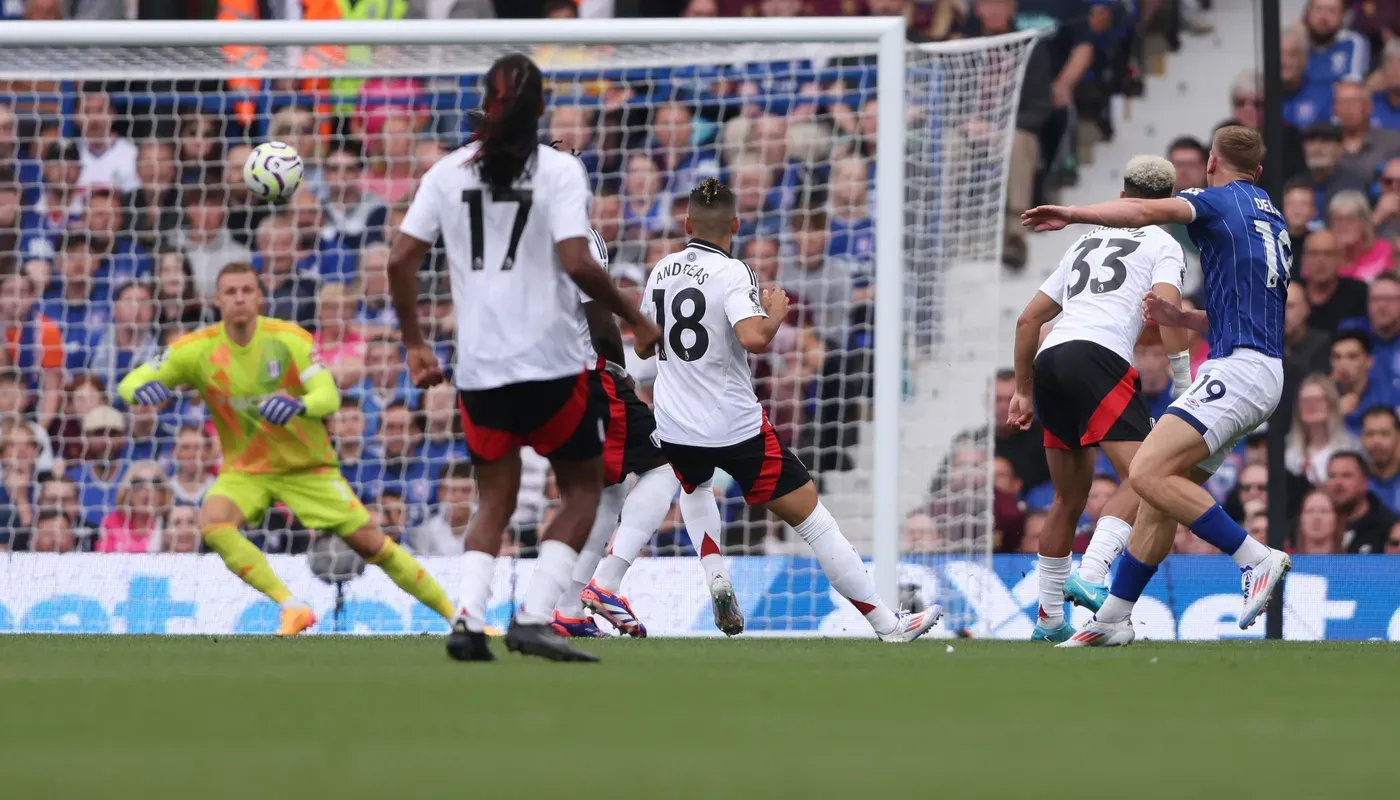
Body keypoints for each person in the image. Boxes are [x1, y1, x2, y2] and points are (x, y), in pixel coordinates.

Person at [387, 53, 661, 663]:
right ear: (540, 109)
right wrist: (637, 317)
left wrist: (413, 343)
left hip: (480, 368)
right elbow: (579, 263)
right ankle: (536, 616)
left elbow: (400, 259)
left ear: (485, 104)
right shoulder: (559, 171)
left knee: (494, 499)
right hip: (551, 365)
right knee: (585, 491)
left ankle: (467, 618)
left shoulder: (447, 172)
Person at [1025, 125, 1294, 646]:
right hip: (1259, 367)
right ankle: (1112, 621)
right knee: (1161, 495)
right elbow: (1250, 311)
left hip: (1237, 370)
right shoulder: (1273, 219)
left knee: (1146, 470)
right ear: (1259, 173)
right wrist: (1182, 317)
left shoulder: (1217, 201)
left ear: (1212, 163)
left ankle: (1255, 558)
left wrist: (1074, 215)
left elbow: (1147, 212)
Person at [642, 177, 942, 643]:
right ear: (736, 225)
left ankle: (716, 574)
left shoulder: (662, 270)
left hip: (677, 424)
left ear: (686, 224)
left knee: (694, 486)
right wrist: (776, 311)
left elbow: (643, 343)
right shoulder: (735, 272)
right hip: (735, 425)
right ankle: (888, 625)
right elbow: (754, 339)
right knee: (814, 521)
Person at [118, 262, 457, 636]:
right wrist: (139, 390)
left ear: (260, 297)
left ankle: (458, 618)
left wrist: (299, 406)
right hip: (246, 471)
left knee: (375, 545)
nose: (239, 298)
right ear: (217, 300)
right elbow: (132, 380)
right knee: (214, 522)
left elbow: (327, 396)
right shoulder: (197, 349)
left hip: (307, 469)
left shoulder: (289, 339)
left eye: (247, 290)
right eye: (230, 292)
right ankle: (292, 607)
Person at [1008, 156, 1190, 642]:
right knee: (1152, 475)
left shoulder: (1086, 240)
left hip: (1050, 359)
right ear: (1168, 200)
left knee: (1067, 498)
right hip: (1100, 359)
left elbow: (1028, 321)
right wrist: (1182, 381)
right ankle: (1091, 573)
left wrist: (1023, 391)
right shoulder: (1164, 243)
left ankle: (1047, 620)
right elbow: (1166, 311)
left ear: (1124, 190)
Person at [548, 229, 742, 639]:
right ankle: (605, 584)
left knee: (608, 492)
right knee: (668, 465)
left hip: (544, 378)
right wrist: (617, 373)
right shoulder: (581, 233)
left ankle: (568, 610)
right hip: (589, 377)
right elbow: (599, 318)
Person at [1324, 450, 1398, 553]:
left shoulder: (1389, 528)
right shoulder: (1310, 523)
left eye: (1346, 476)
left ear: (1365, 483)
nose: (1337, 483)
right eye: (1332, 476)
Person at [1360, 406, 1400, 513]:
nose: (1376, 441)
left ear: (1398, 437)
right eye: (1370, 434)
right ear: (1362, 438)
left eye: (1384, 434)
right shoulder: (1354, 484)